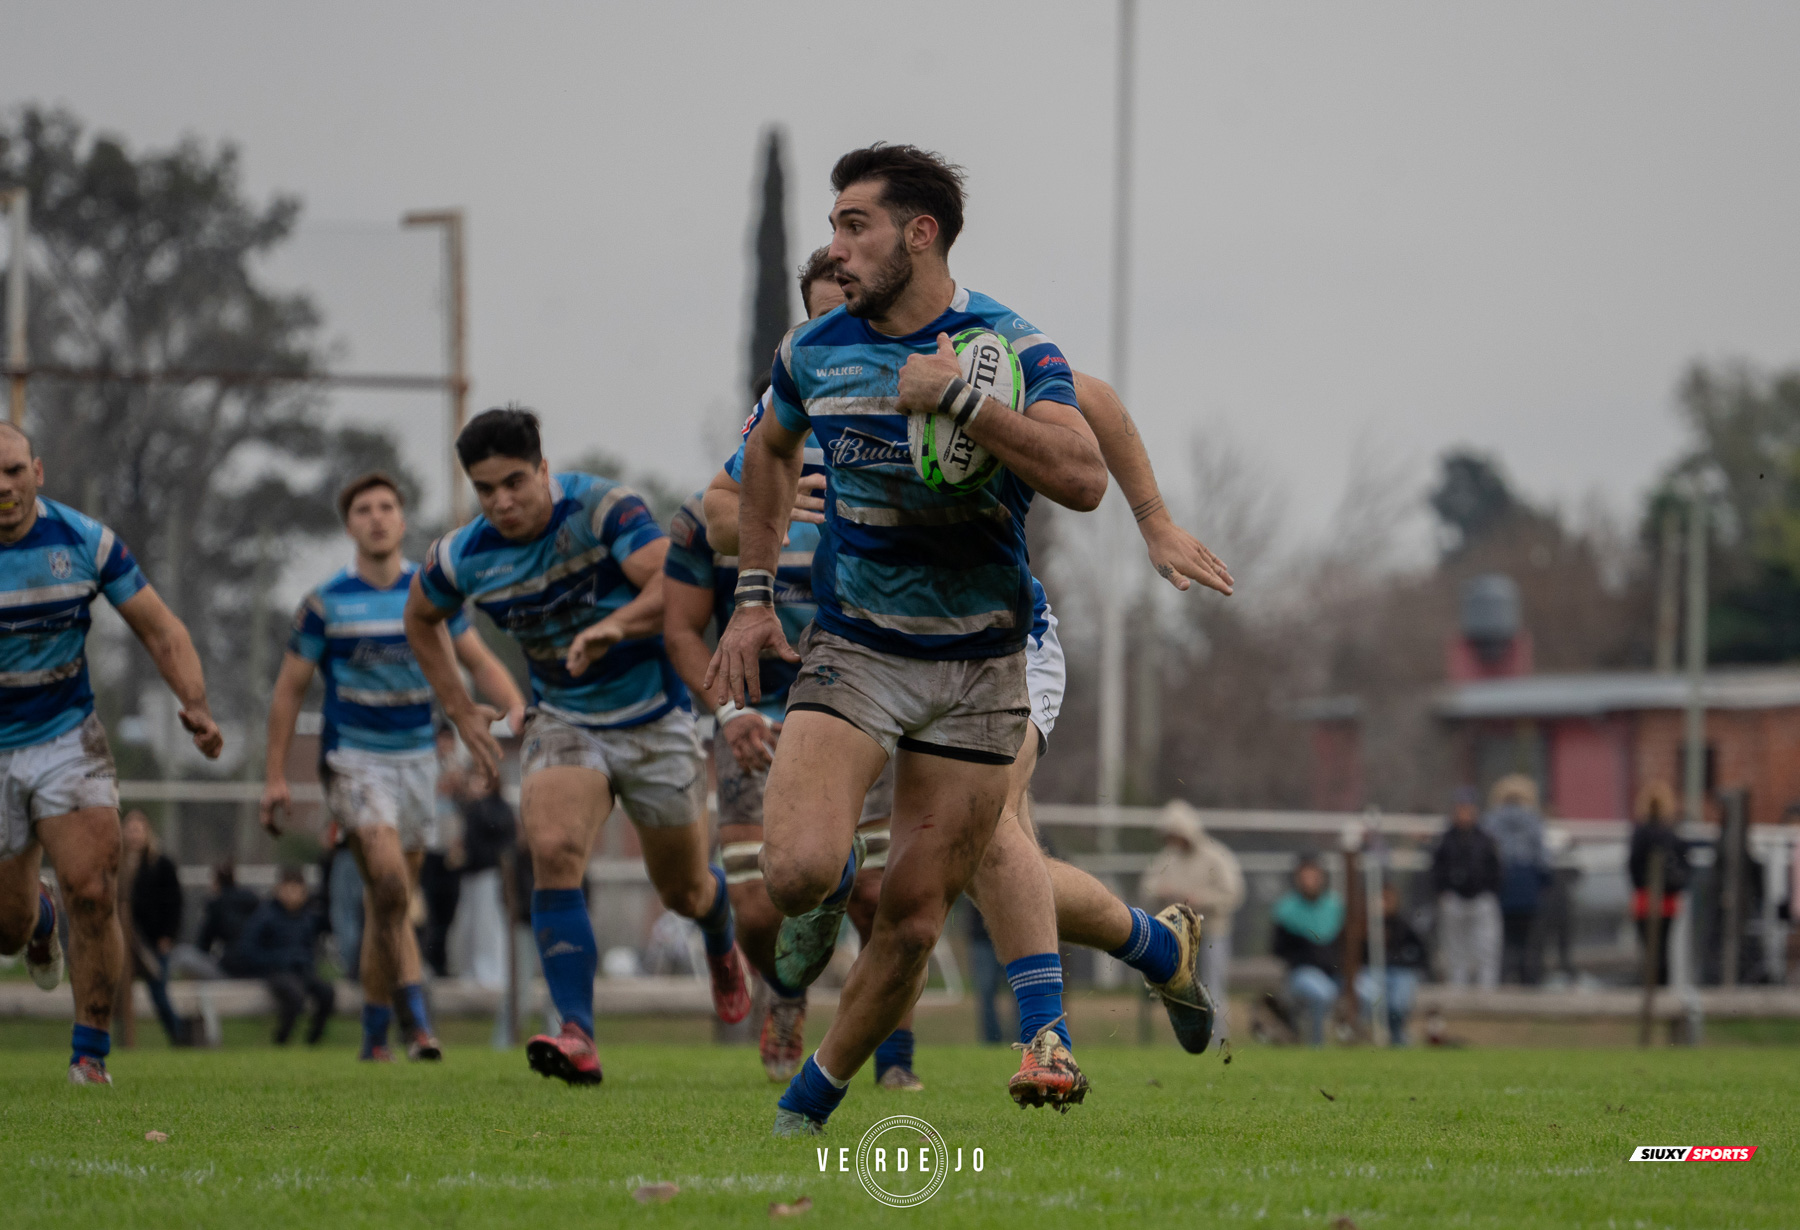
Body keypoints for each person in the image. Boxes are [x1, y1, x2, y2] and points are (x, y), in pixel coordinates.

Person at [704, 238, 1233, 1115]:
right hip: (873, 651)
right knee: (923, 879)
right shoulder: (813, 380)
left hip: (1002, 638)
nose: (847, 302)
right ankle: (1154, 948)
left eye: (852, 281)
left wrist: (1156, 522)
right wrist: (775, 516)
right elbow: (720, 505)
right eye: (828, 298)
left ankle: (1046, 1037)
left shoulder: (978, 350)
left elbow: (1091, 406)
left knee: (986, 846)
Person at [406, 408, 749, 1087]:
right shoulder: (462, 556)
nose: (501, 501)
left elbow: (680, 592)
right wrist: (457, 706)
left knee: (683, 889)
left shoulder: (600, 510)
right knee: (553, 852)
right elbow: (420, 616)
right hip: (565, 718)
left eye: (513, 482)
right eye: (484, 489)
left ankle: (718, 934)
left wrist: (614, 628)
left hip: (655, 718)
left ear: (542, 468)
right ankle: (577, 1032)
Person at [261, 472, 525, 1063]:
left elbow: (479, 660)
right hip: (352, 761)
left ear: (403, 521)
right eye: (363, 509)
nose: (376, 517)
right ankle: (418, 1024)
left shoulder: (429, 595)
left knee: (392, 900)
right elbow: (287, 694)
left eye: (387, 507)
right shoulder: (324, 603)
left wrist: (518, 713)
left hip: (415, 766)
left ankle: (374, 1032)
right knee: (386, 883)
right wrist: (276, 775)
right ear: (349, 524)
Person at [0, 422, 224, 1085]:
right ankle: (37, 919)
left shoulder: (85, 542)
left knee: (94, 890)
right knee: (5, 930)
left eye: (13, 470)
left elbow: (161, 628)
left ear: (38, 471)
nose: (3, 487)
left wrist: (198, 705)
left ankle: (89, 1056)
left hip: (67, 735)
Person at [1142, 801, 1246, 1039]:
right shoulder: (1166, 858)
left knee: (1213, 986)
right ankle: (1188, 1038)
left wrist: (1201, 900)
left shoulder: (1215, 856)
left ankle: (1216, 1039)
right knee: (1180, 990)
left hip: (1212, 933)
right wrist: (1162, 891)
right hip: (1177, 938)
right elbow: (1147, 887)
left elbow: (1233, 894)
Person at [234, 866, 334, 1045]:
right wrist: (279, 959)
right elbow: (247, 951)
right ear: (278, 890)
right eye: (287, 890)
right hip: (275, 971)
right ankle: (282, 1039)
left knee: (327, 993)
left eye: (297, 891)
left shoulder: (307, 917)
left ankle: (314, 1040)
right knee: (295, 996)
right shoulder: (265, 916)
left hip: (301, 970)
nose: (292, 896)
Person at [120, 810, 185, 1046]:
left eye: (138, 830)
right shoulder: (118, 865)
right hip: (126, 942)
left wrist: (168, 936)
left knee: (159, 993)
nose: (134, 835)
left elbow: (175, 902)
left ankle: (179, 1037)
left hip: (153, 941)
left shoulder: (161, 863)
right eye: (130, 829)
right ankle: (121, 1042)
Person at [1430, 786, 1502, 989]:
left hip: (1481, 899)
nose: (1464, 813)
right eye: (1460, 808)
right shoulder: (1445, 839)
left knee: (1486, 950)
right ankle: (1457, 991)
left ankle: (1487, 994)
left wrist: (1490, 892)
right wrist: (1442, 891)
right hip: (1454, 900)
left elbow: (1496, 869)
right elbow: (1437, 868)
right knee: (1455, 951)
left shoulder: (1485, 838)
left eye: (1468, 808)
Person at [1271, 856, 1344, 1047]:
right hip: (1302, 972)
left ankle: (1355, 1044)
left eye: (1314, 876)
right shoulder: (1287, 910)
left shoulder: (1334, 907)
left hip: (1335, 973)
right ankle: (1316, 1045)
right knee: (1321, 994)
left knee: (1369, 993)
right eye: (1305, 876)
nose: (1310, 881)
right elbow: (1278, 949)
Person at [1483, 774, 1549, 985]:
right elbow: (1542, 856)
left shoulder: (1491, 820)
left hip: (1502, 883)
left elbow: (1486, 854)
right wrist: (1545, 881)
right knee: (1527, 938)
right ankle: (1527, 978)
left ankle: (1502, 977)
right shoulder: (1533, 820)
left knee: (1502, 937)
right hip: (1528, 883)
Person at [1629, 781, 1689, 987]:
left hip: (1645, 899)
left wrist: (1642, 886)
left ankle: (1650, 991)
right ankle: (1663, 992)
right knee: (1664, 948)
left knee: (1648, 951)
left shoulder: (1640, 833)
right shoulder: (1672, 834)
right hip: (1668, 901)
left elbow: (1632, 866)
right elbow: (1685, 864)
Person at [1355, 884, 1428, 1045]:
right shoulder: (1363, 924)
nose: (1384, 904)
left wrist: (1401, 962)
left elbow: (1420, 953)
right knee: (1371, 996)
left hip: (1399, 971)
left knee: (1398, 1001)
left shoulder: (1404, 924)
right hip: (1371, 971)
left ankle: (1396, 1036)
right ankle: (1372, 1033)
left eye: (1388, 899)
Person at [196, 859, 260, 977]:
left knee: (181, 955)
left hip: (232, 967)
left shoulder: (217, 904)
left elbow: (203, 945)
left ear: (215, 881)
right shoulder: (252, 899)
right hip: (258, 964)